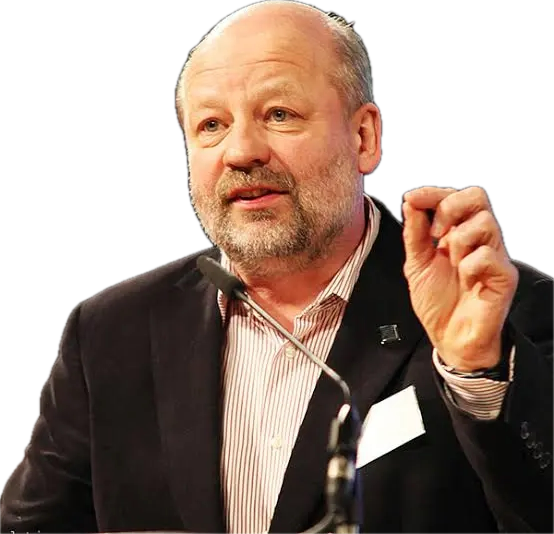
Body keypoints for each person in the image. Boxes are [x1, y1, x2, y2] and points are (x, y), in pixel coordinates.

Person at [1, 1, 552, 533]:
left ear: (363, 137)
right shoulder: (111, 331)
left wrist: (476, 370)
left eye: (279, 114)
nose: (241, 151)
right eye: (211, 125)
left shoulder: (502, 311)